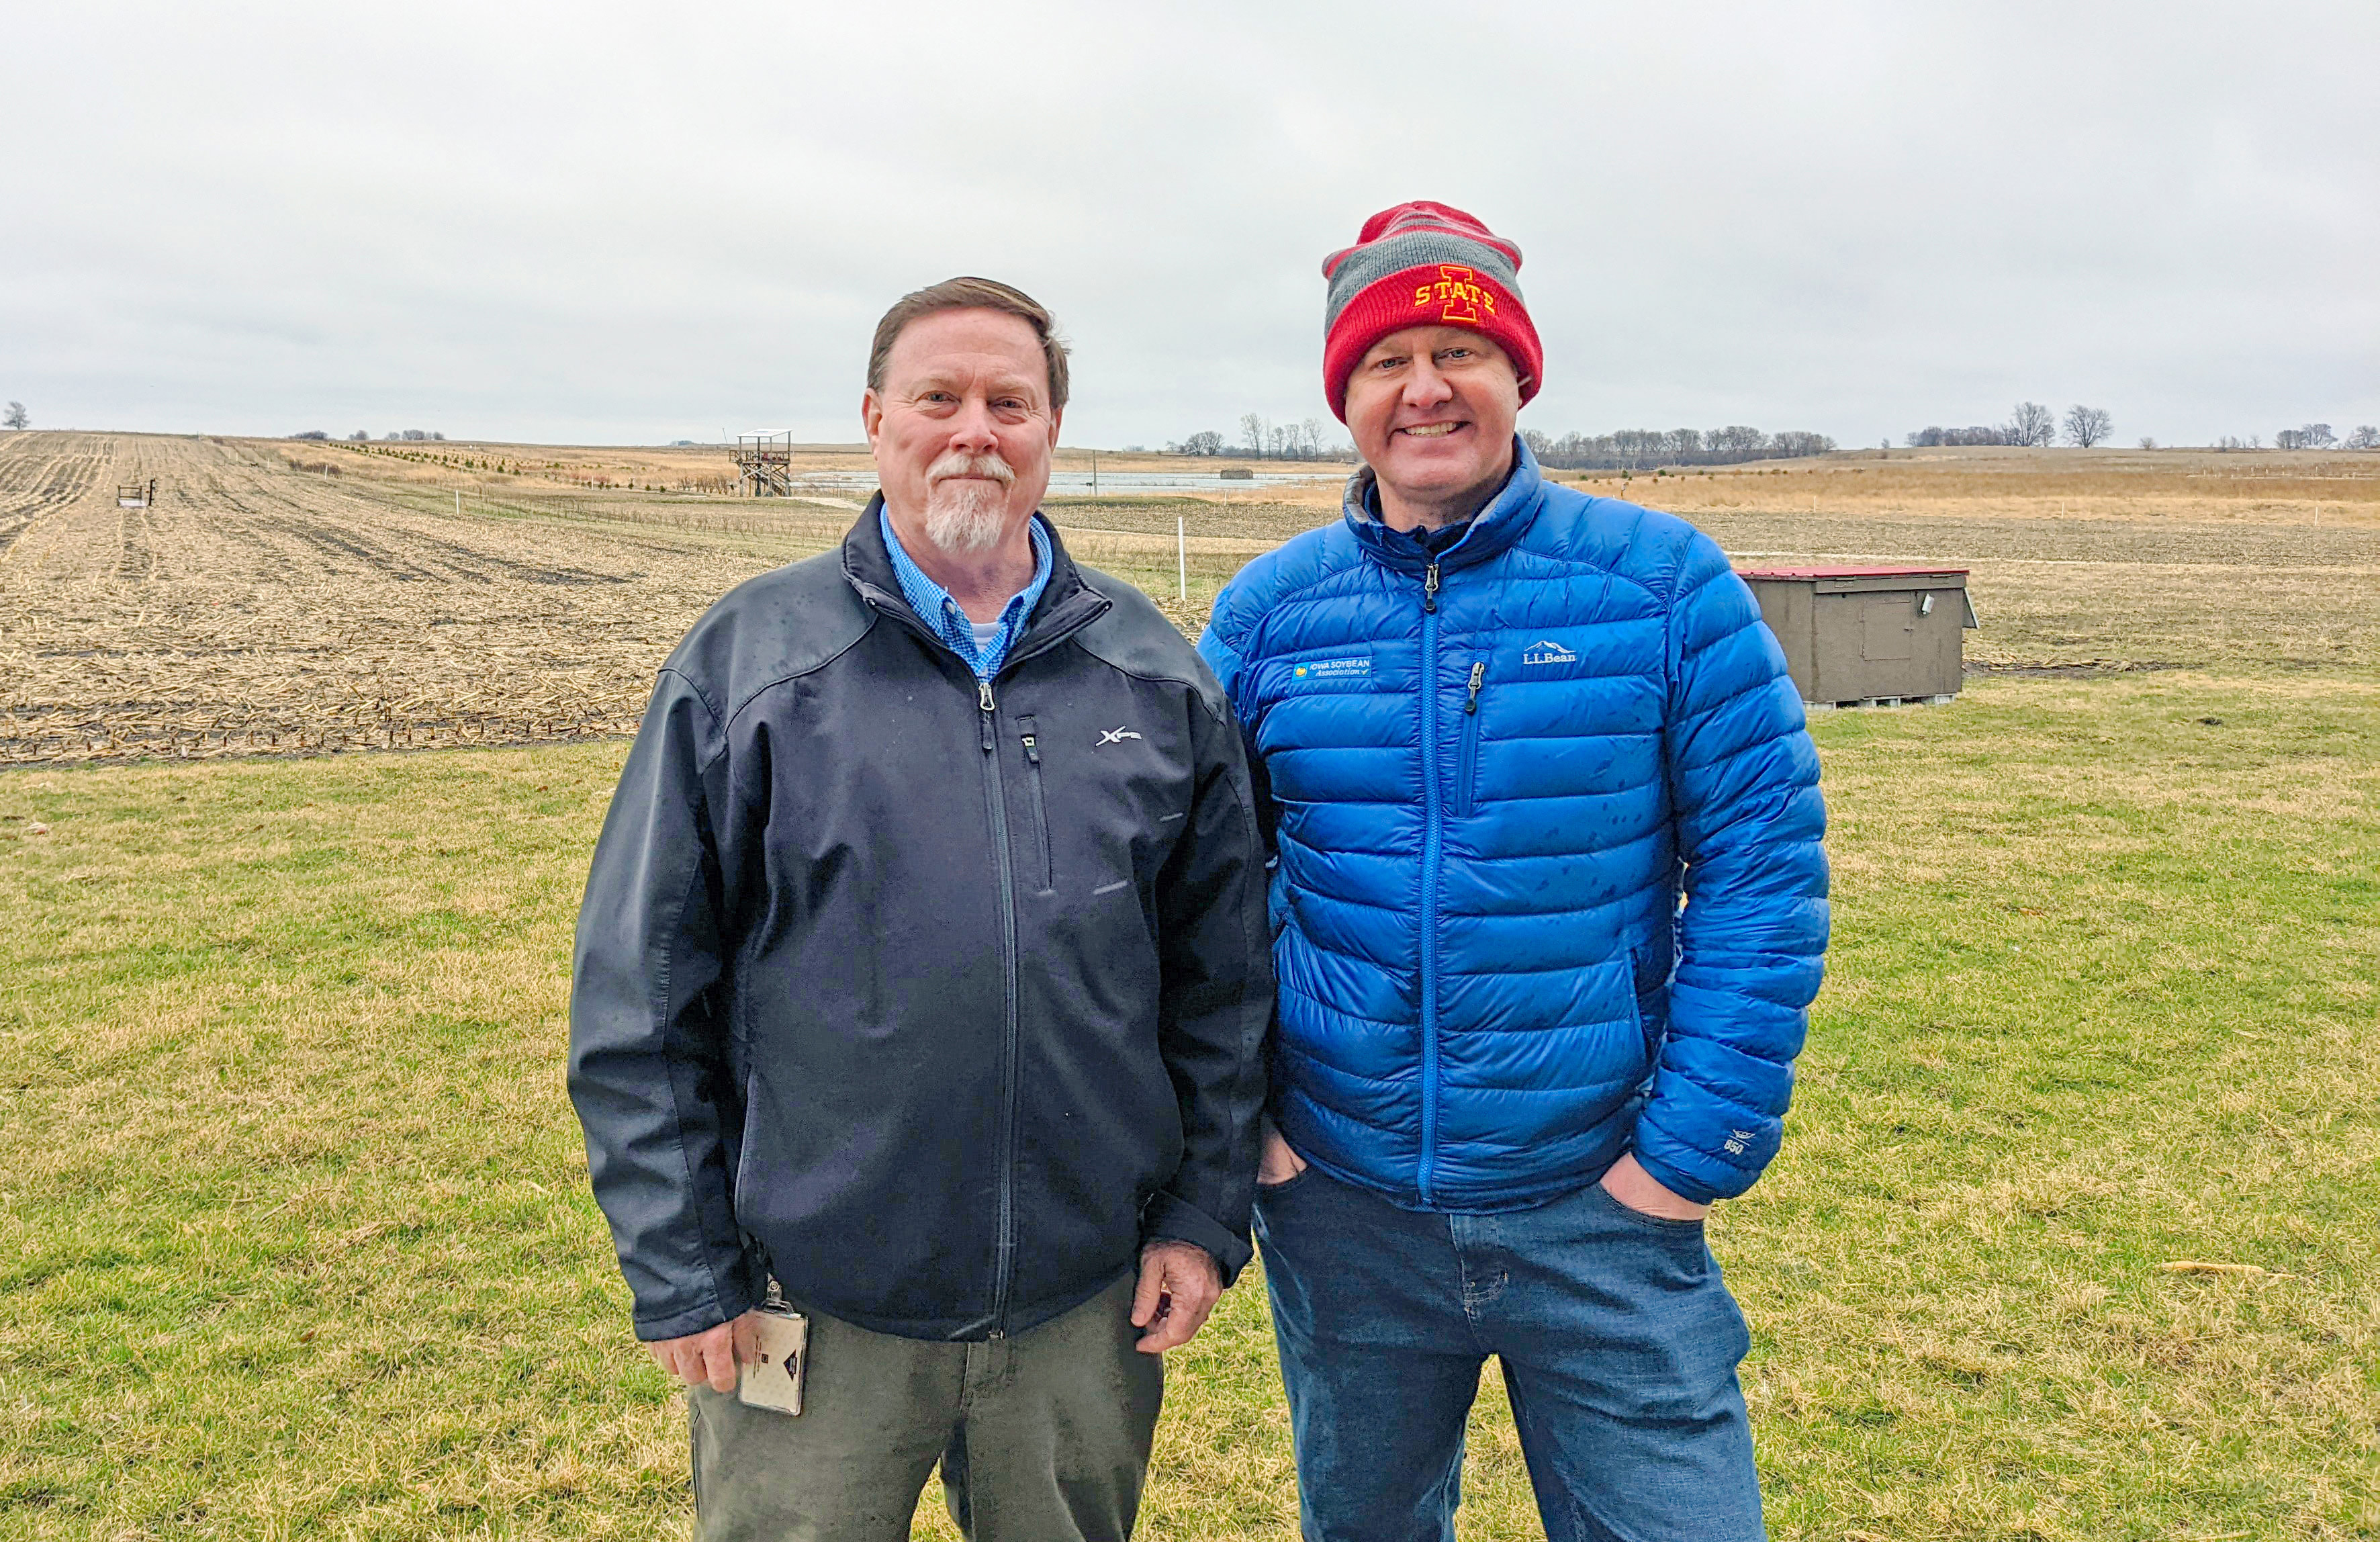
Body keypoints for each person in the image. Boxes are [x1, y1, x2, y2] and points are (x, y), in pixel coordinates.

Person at [569, 275, 1273, 1542]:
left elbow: (1222, 987)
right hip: (813, 1305)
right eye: (937, 398)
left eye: (1010, 401)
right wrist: (684, 1272)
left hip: (1079, 1310)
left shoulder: (1158, 678)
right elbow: (642, 988)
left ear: (1054, 427)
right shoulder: (751, 665)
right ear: (874, 420)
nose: (974, 431)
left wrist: (1204, 1215)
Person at [1199, 202, 1829, 1542]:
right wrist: (1259, 1134)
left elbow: (1761, 874)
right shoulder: (1266, 613)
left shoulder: (1660, 588)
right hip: (1343, 1206)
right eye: (1385, 359)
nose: (1423, 386)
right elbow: (1200, 890)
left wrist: (1680, 1154)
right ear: (1344, 399)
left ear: (1517, 377)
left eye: (1458, 350)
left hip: (1600, 1206)